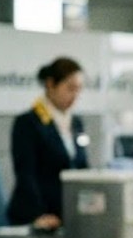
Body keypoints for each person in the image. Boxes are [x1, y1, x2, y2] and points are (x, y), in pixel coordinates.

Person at [7, 57, 89, 229]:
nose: (75, 96)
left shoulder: (76, 123)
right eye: (70, 89)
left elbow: (82, 167)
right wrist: (38, 214)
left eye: (79, 90)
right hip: (37, 215)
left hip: (69, 212)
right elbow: (26, 175)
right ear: (51, 84)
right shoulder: (28, 123)